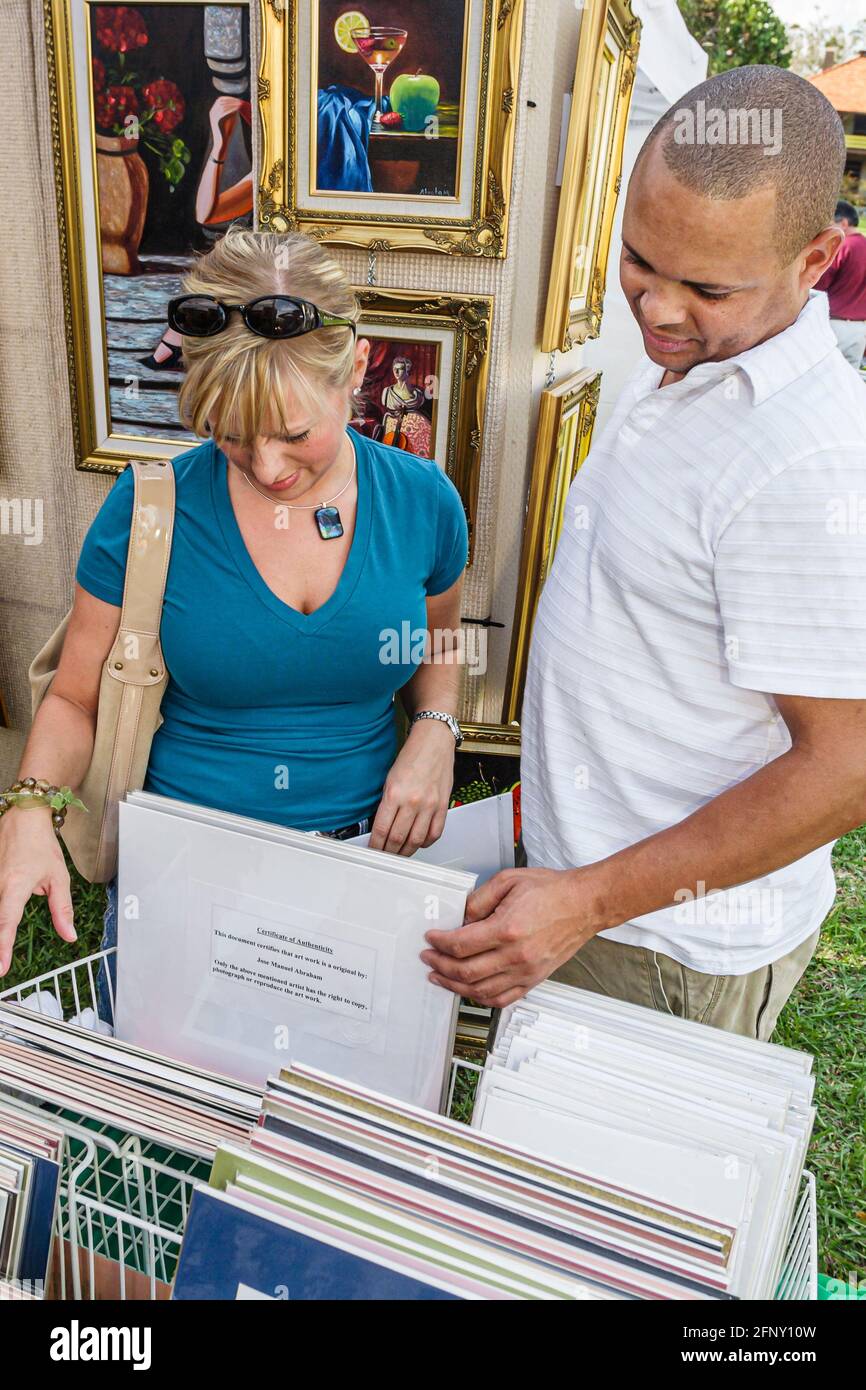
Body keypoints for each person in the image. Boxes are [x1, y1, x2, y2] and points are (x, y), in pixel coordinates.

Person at [422, 65, 866, 1041]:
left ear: (816, 258)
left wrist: (587, 900)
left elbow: (845, 764)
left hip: (666, 944)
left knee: (586, 1192)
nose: (656, 311)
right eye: (637, 259)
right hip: (593, 881)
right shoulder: (697, 354)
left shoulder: (808, 463)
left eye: (703, 287)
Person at [0, 227, 469, 1011]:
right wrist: (28, 810)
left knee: (337, 1119)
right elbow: (75, 697)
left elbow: (443, 637)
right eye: (229, 435)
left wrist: (437, 728)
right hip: (187, 871)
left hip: (367, 867)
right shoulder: (148, 510)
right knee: (171, 1117)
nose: (268, 467)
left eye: (293, 434)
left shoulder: (424, 501)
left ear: (354, 367)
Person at [815, 198, 866, 371]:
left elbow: (817, 284)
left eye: (830, 222)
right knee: (849, 382)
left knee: (819, 376)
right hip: (860, 328)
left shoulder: (841, 247)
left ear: (843, 223)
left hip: (833, 324)